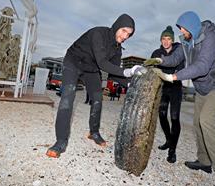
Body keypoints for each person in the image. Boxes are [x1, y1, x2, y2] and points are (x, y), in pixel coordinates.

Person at [145, 11, 215, 186]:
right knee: (197, 124)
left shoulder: (211, 39)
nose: (181, 31)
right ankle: (204, 161)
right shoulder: (187, 42)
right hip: (202, 89)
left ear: (192, 26)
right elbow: (175, 58)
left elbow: (202, 67)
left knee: (207, 122)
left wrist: (173, 76)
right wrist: (159, 60)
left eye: (182, 28)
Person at [46, 14, 145, 158]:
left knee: (97, 99)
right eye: (123, 31)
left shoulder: (117, 49)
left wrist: (130, 84)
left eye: (129, 34)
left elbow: (114, 73)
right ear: (117, 26)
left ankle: (94, 132)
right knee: (67, 97)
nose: (125, 36)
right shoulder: (98, 33)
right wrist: (129, 71)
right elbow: (103, 63)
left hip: (91, 69)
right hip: (74, 61)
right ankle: (60, 141)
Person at [150, 26, 184, 163]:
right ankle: (169, 140)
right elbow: (152, 69)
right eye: (163, 38)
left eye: (169, 38)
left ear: (172, 40)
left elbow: (180, 68)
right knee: (162, 115)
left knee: (174, 118)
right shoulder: (156, 52)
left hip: (175, 86)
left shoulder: (179, 51)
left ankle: (172, 151)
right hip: (163, 87)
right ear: (160, 39)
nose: (166, 41)